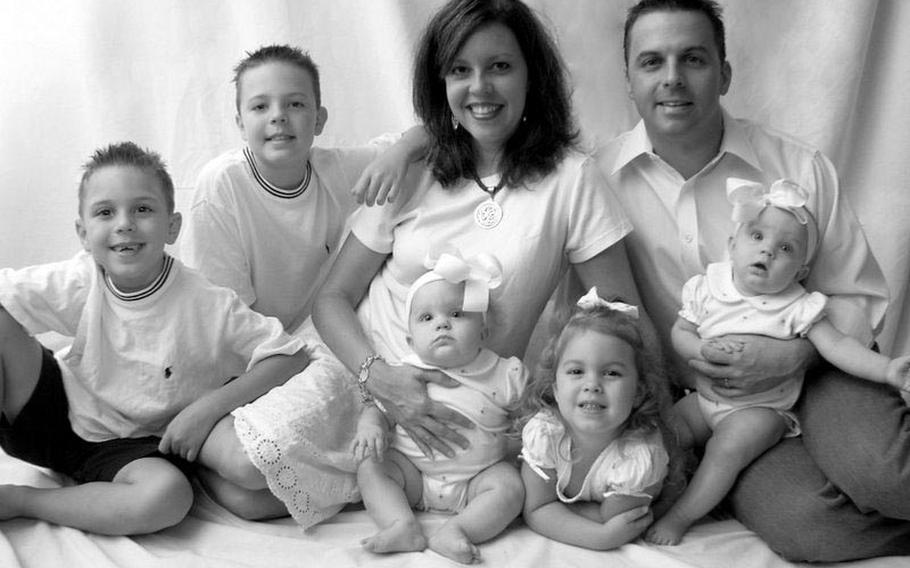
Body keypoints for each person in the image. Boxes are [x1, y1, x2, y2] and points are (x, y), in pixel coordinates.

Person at [599, 0, 910, 560]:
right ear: (628, 79)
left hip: (824, 365)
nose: (672, 78)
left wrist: (797, 356)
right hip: (717, 404)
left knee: (886, 475)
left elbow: (857, 295)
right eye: (651, 62)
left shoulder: (796, 167)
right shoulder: (597, 182)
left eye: (692, 58)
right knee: (810, 525)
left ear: (724, 72)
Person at [314, 0, 643, 523]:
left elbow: (619, 315)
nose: (480, 88)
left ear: (532, 76)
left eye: (500, 67)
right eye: (460, 71)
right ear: (440, 84)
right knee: (243, 476)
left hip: (477, 413)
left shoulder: (571, 179)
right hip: (366, 386)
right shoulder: (412, 169)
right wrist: (379, 382)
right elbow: (331, 300)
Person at [0, 142, 307, 535]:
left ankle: (20, 501)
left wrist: (206, 409)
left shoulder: (206, 303)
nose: (124, 223)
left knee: (167, 497)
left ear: (172, 226)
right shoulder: (82, 278)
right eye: (105, 212)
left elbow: (289, 356)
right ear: (83, 232)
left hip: (132, 451)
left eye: (142, 209)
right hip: (55, 414)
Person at [180, 45, 425, 521]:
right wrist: (212, 408)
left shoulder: (336, 168)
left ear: (319, 118)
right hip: (250, 361)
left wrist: (399, 152)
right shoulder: (221, 188)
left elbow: (430, 133)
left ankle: (358, 480)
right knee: (247, 469)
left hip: (320, 345)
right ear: (239, 120)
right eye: (260, 106)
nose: (278, 118)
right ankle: (207, 454)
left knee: (250, 502)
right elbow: (226, 333)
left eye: (295, 104)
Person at [646, 178, 910, 545]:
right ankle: (647, 494)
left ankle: (682, 515)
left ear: (800, 272)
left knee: (727, 451)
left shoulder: (799, 307)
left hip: (759, 411)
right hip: (705, 397)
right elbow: (680, 331)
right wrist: (698, 351)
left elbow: (838, 347)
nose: (768, 251)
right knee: (664, 430)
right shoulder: (708, 286)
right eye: (757, 237)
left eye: (785, 248)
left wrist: (885, 369)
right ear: (732, 246)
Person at [353, 250, 525, 563]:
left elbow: (530, 416)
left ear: (484, 331)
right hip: (414, 475)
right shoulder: (404, 373)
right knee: (372, 467)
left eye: (457, 315)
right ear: (410, 339)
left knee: (511, 486)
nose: (442, 324)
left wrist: (527, 436)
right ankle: (401, 524)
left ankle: (458, 530)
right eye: (427, 318)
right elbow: (378, 407)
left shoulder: (505, 373)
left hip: (478, 479)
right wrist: (370, 425)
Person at [519, 287, 672, 551]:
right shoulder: (546, 434)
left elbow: (617, 521)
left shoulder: (638, 456)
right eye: (576, 370)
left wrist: (560, 514)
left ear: (638, 392)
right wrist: (599, 538)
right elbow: (536, 509)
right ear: (555, 387)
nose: (592, 384)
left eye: (611, 373)